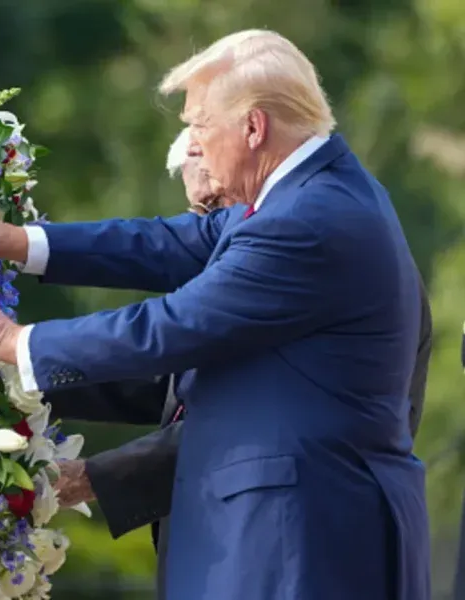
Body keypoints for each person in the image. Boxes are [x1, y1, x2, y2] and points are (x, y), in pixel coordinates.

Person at [0, 29, 430, 600]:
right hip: (294, 534)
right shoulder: (310, 195)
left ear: (254, 128)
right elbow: (168, 244)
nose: (192, 145)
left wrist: (11, 341)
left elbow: (172, 327)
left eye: (200, 125)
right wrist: (10, 240)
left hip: (295, 545)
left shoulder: (306, 217)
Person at [48, 127, 434, 596]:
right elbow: (164, 382)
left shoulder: (318, 252)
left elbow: (251, 432)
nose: (212, 229)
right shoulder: (259, 261)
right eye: (199, 214)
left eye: (216, 205)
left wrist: (92, 478)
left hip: (312, 552)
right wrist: (16, 381)